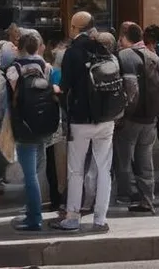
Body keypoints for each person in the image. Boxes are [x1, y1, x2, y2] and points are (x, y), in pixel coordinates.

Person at [53, 13, 120, 234]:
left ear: (74, 28)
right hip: (106, 118)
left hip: (81, 119)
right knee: (103, 169)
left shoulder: (72, 52)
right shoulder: (104, 48)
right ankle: (100, 219)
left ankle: (72, 217)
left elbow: (64, 87)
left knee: (76, 170)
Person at [0, 29, 59, 232]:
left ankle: (34, 218)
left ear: (20, 48)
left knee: (30, 174)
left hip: (24, 125)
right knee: (38, 171)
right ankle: (34, 211)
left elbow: (7, 98)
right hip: (44, 124)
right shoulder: (46, 67)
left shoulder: (13, 69)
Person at [114, 22, 159, 214]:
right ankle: (147, 199)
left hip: (131, 118)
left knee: (124, 159)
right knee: (145, 160)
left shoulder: (124, 56)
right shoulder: (153, 55)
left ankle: (127, 194)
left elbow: (129, 88)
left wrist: (122, 113)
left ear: (124, 37)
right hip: (150, 118)